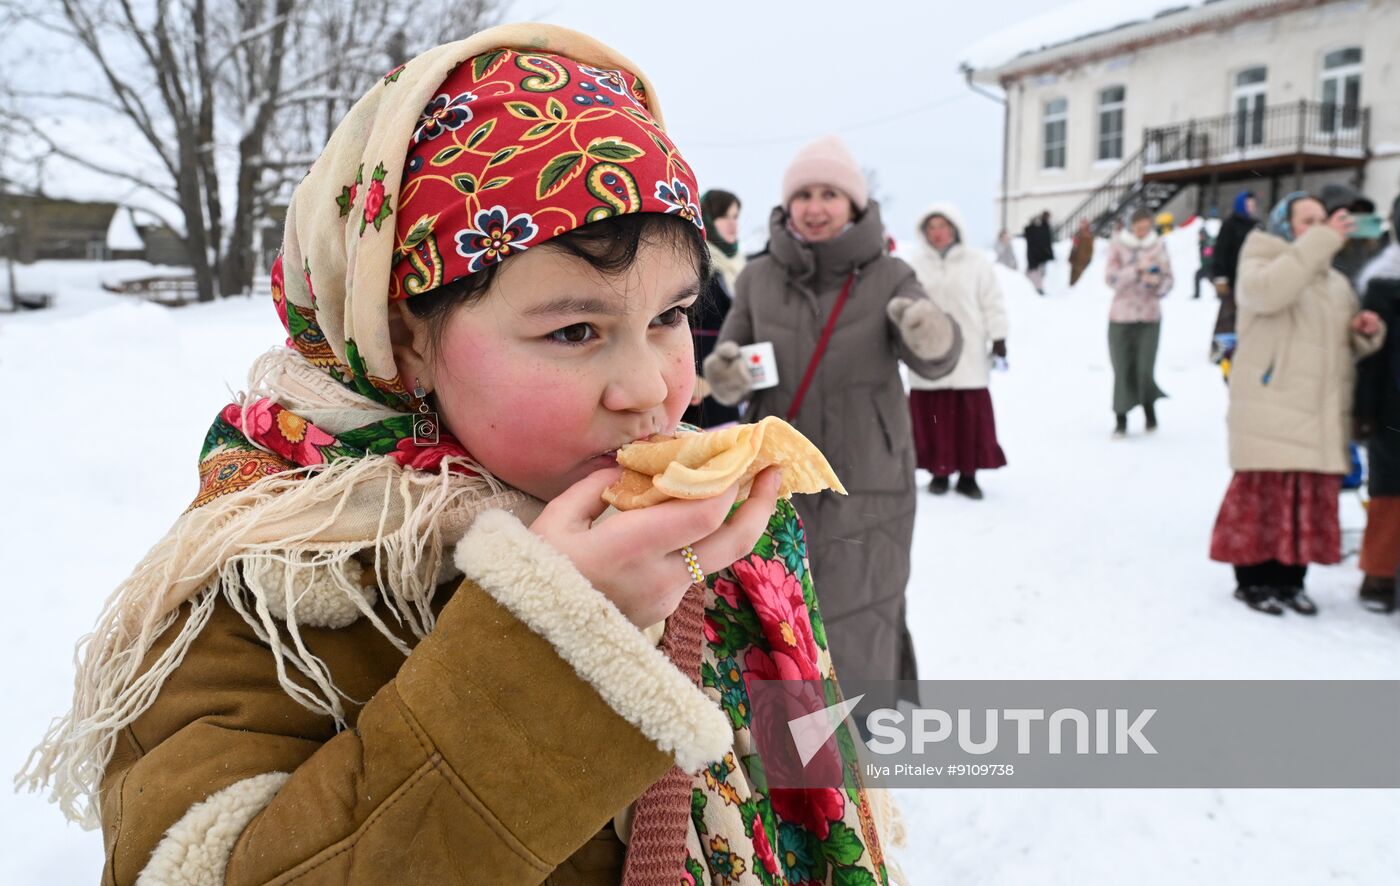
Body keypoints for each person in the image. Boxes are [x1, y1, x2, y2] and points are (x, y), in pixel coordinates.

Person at [20, 27, 900, 884]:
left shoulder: (693, 539)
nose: (651, 388)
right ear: (403, 337)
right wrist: (555, 645)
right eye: (575, 329)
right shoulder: (273, 586)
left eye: (668, 316)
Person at [703, 133, 961, 699]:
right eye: (803, 195)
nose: (814, 207)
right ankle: (793, 723)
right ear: (787, 204)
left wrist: (927, 331)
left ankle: (869, 720)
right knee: (781, 602)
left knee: (863, 600)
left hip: (868, 475)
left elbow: (938, 359)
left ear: (854, 205)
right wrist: (725, 370)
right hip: (779, 478)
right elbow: (728, 364)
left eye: (829, 194)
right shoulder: (759, 279)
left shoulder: (892, 275)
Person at [1209, 192, 1386, 616]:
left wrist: (1365, 331)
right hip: (1273, 401)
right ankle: (1252, 581)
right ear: (1285, 226)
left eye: (1323, 220)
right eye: (1308, 220)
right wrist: (1320, 241)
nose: (1321, 228)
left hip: (1317, 407)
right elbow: (1266, 294)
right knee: (1264, 498)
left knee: (1304, 499)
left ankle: (1291, 581)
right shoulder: (1260, 259)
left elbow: (1342, 346)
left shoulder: (1335, 283)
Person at [907, 202, 1009, 499]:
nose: (937, 233)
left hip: (969, 354)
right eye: (932, 227)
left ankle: (968, 475)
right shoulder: (915, 265)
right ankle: (939, 472)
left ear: (955, 229)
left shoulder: (977, 263)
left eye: (943, 226)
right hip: (928, 354)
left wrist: (999, 336)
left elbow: (993, 302)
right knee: (934, 416)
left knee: (968, 418)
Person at [1354, 193, 1400, 612]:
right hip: (1392, 409)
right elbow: (1371, 358)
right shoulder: (1382, 287)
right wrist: (1364, 411)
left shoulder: (1379, 283)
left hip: (1389, 408)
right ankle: (1380, 577)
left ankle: (1382, 575)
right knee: (1388, 493)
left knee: (1389, 491)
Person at [1105, 208, 1173, 437]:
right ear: (1131, 227)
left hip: (1149, 316)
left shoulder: (1159, 246)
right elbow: (1111, 278)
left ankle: (1149, 411)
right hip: (1121, 317)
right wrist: (1135, 270)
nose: (1143, 232)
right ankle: (1121, 417)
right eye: (1139, 227)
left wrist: (1156, 281)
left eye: (1146, 227)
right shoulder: (1118, 246)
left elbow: (1168, 281)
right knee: (1122, 367)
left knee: (1145, 367)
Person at [682, 188, 743, 428]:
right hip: (701, 394)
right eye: (724, 217)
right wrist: (692, 377)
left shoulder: (736, 268)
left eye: (736, 216)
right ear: (708, 219)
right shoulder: (697, 266)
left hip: (731, 388)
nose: (732, 225)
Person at [1210, 190, 1260, 362]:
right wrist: (1220, 277)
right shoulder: (1230, 225)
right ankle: (1221, 351)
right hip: (1232, 280)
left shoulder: (1255, 225)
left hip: (1251, 279)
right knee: (1228, 317)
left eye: (1253, 205)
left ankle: (1247, 348)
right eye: (1248, 204)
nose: (1251, 208)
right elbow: (1220, 252)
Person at [1320, 182, 1384, 286]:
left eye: (1357, 212)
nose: (1351, 220)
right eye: (1342, 215)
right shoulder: (1320, 249)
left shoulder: (1375, 244)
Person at [1023, 210, 1054, 295]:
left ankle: (1037, 287)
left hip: (1040, 256)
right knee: (1034, 273)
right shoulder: (1032, 230)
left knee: (1038, 273)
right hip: (1035, 256)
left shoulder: (1043, 229)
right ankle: (1035, 288)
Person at [1068, 218, 1094, 287]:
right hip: (1075, 259)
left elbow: (1089, 250)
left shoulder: (1088, 236)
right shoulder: (1078, 235)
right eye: (1080, 224)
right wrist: (1071, 255)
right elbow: (1074, 246)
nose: (1081, 226)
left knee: (1077, 279)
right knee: (1072, 278)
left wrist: (1088, 259)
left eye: (1083, 224)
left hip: (1082, 261)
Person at [1195, 221, 1216, 299]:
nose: (1199, 236)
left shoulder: (1209, 243)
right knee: (1197, 276)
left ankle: (1219, 293)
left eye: (1200, 235)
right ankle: (1197, 294)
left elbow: (1208, 256)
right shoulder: (1203, 243)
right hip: (1205, 267)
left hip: (1210, 267)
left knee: (1212, 279)